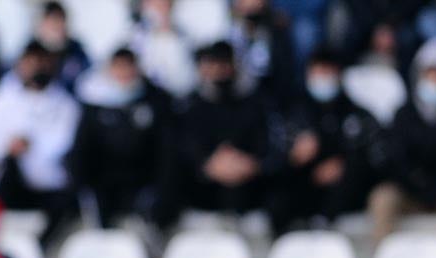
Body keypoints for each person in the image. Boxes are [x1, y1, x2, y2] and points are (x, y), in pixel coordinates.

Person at [0, 40, 81, 255]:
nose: (36, 67)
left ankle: (42, 250)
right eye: (30, 61)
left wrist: (32, 149)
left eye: (42, 61)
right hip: (9, 183)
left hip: (47, 187)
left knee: (71, 195)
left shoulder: (66, 106)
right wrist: (8, 149)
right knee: (2, 170)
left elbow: (64, 146)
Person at [367, 37, 436, 256]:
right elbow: (396, 157)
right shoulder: (404, 114)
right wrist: (416, 180)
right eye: (430, 75)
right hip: (413, 190)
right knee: (383, 196)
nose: (434, 82)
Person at [158, 40, 279, 227]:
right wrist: (207, 163)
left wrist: (249, 163)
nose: (219, 70)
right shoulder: (190, 105)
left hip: (248, 180)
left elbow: (267, 143)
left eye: (224, 64)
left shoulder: (256, 102)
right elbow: (183, 143)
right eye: (213, 64)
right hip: (202, 183)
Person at [268, 48, 384, 233]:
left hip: (344, 193)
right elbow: (271, 157)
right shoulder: (293, 114)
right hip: (303, 186)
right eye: (318, 72)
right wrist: (294, 156)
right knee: (279, 194)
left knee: (352, 172)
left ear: (339, 75)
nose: (323, 78)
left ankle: (323, 223)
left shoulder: (358, 116)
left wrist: (343, 164)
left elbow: (377, 157)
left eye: (328, 72)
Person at [68, 47, 172, 230]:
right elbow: (82, 148)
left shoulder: (155, 100)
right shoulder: (94, 104)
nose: (124, 73)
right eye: (119, 67)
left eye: (128, 67)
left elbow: (164, 148)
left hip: (143, 181)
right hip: (104, 183)